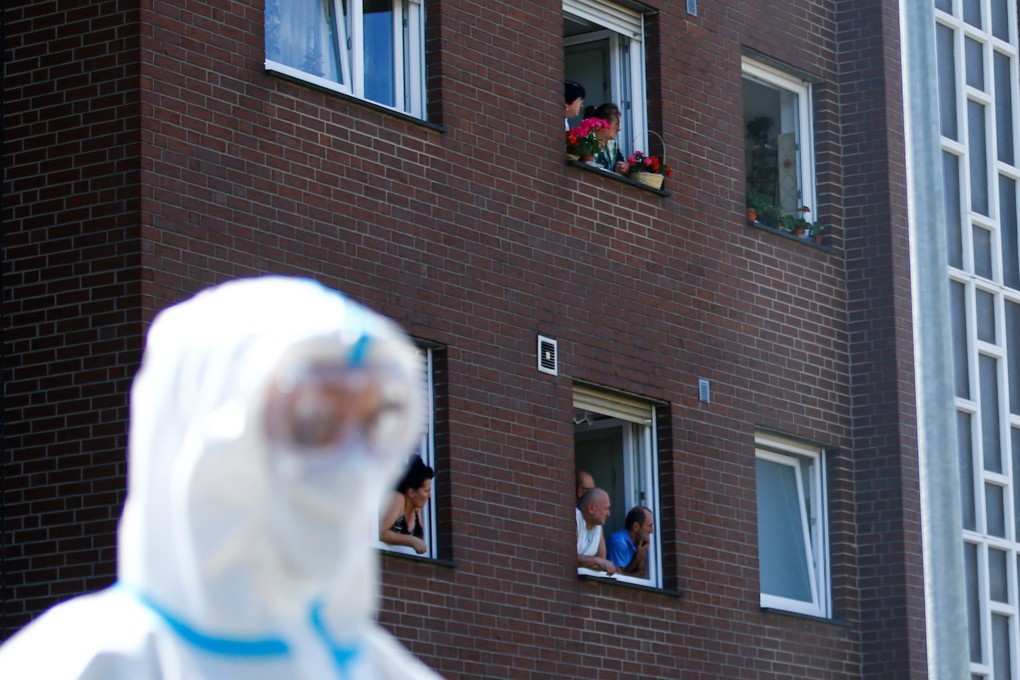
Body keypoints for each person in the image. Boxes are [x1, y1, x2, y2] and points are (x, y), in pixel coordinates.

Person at [0, 276, 441, 679]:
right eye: (312, 420)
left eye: (374, 424)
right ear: (205, 433)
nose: (349, 463)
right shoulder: (71, 664)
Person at [380, 455, 434, 554]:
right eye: (426, 491)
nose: (430, 496)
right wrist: (412, 541)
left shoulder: (418, 509)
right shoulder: (398, 498)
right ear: (412, 492)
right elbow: (381, 533)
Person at [575, 487, 617, 575]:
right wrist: (595, 560)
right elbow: (566, 558)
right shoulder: (574, 519)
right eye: (606, 509)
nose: (608, 514)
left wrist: (593, 562)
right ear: (591, 508)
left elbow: (602, 564)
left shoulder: (598, 526)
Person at [606, 506, 654, 577]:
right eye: (649, 526)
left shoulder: (638, 543)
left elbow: (641, 574)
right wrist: (638, 556)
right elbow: (620, 579)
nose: (651, 531)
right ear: (636, 526)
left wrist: (639, 555)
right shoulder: (618, 543)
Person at [585, 103, 629, 174]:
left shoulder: (612, 144)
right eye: (617, 124)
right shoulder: (587, 140)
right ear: (604, 123)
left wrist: (622, 167)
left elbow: (619, 165)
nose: (619, 129)